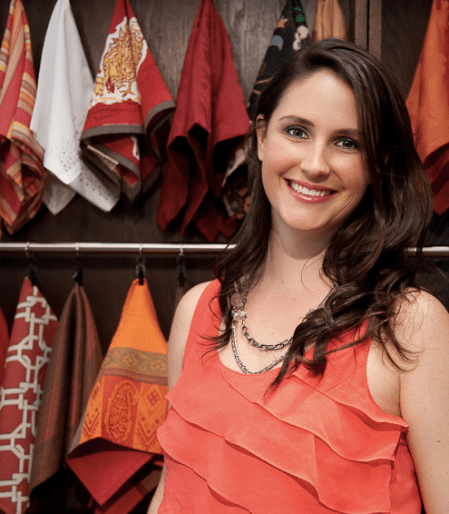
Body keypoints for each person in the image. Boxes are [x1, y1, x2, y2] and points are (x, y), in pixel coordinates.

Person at [148, 38, 449, 513]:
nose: (314, 165)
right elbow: (173, 489)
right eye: (297, 131)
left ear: (377, 164)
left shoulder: (411, 325)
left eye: (347, 142)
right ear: (261, 137)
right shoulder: (196, 311)